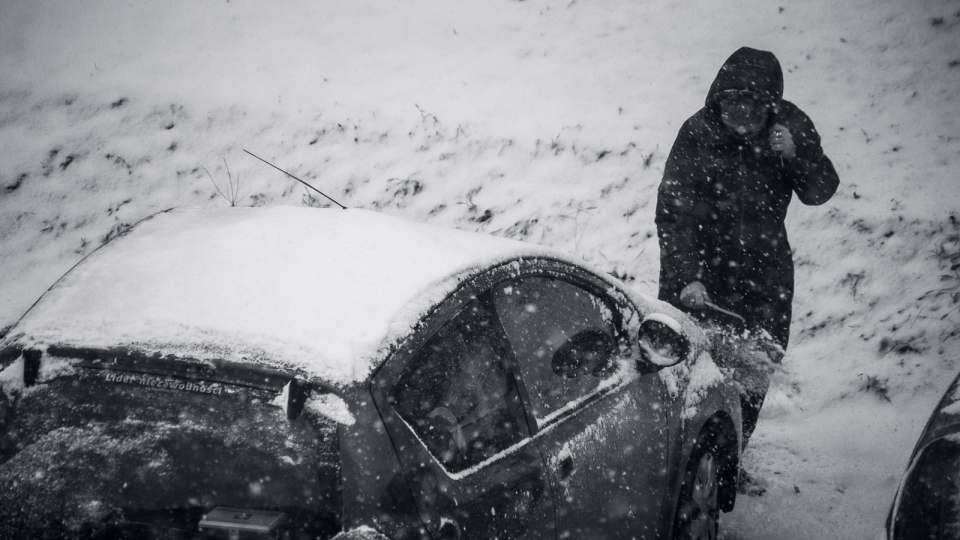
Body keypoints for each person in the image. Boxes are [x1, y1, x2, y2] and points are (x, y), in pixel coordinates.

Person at [655, 47, 840, 488]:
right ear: (717, 99)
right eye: (731, 103)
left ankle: (726, 466)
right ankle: (673, 463)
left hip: (764, 276)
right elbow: (673, 212)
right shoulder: (697, 132)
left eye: (751, 106)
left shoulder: (788, 127)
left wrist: (797, 154)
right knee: (687, 372)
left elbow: (820, 191)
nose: (739, 115)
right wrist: (687, 277)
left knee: (751, 374)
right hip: (701, 272)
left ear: (769, 105)